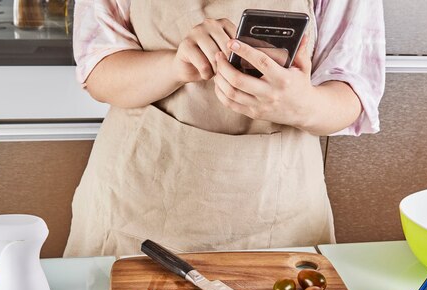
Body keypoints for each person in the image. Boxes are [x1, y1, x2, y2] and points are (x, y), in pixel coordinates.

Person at [65, 0, 385, 257]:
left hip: (279, 217)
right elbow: (99, 70)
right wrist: (174, 65)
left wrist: (301, 102)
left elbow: (352, 92)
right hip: (133, 209)